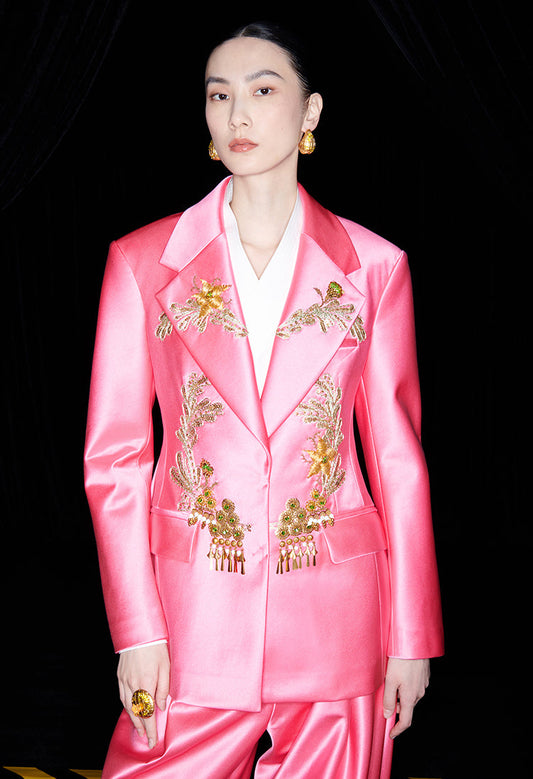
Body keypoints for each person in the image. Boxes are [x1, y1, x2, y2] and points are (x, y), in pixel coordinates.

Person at [84, 20, 444, 778]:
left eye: (262, 89)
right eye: (219, 94)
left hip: (338, 621)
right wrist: (136, 628)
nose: (237, 113)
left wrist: (410, 636)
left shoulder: (374, 267)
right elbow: (115, 459)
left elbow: (396, 459)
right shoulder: (142, 261)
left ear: (310, 111)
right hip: (192, 620)